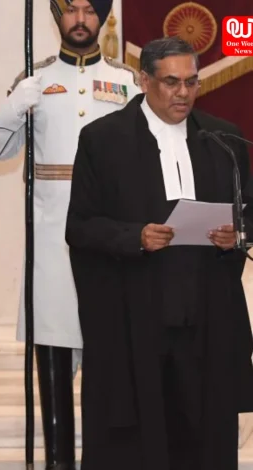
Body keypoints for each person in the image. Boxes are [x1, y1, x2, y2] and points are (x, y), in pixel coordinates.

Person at [66, 36, 253, 470]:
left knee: (204, 434)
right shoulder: (103, 139)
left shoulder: (223, 137)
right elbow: (80, 226)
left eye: (191, 82)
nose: (183, 93)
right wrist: (136, 236)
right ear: (143, 80)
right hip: (136, 316)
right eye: (171, 82)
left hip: (206, 314)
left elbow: (248, 212)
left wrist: (236, 233)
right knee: (138, 440)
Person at [0, 1, 140, 466]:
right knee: (51, 372)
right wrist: (15, 107)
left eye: (88, 10)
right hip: (52, 248)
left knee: (107, 373)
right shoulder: (33, 79)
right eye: (69, 9)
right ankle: (57, 461)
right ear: (56, 18)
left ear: (103, 17)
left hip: (109, 247)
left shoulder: (129, 82)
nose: (79, 18)